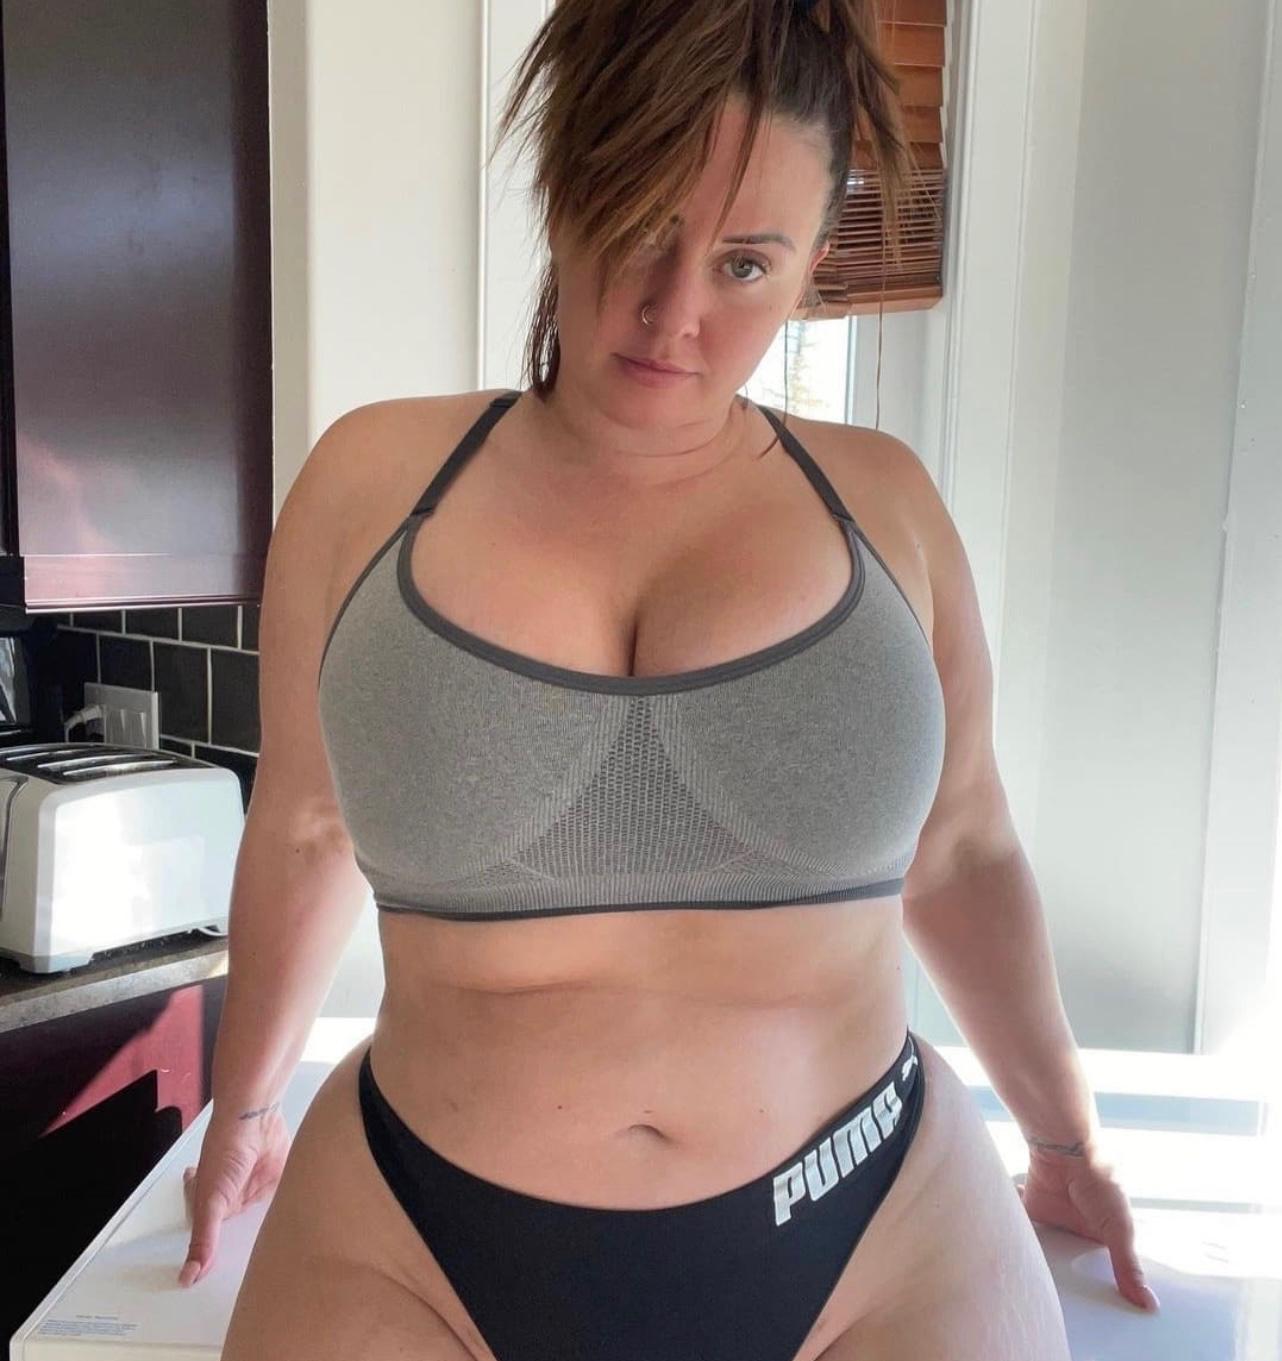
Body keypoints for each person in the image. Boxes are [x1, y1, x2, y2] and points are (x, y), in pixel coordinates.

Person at [182, 2, 1158, 1357]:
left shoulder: (885, 505)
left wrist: (1063, 1137)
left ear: (814, 262)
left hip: (873, 1228)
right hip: (412, 1237)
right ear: (563, 191)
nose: (676, 310)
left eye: (746, 264)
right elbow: (302, 828)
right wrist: (239, 1115)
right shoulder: (367, 484)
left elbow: (963, 846)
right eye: (640, 224)